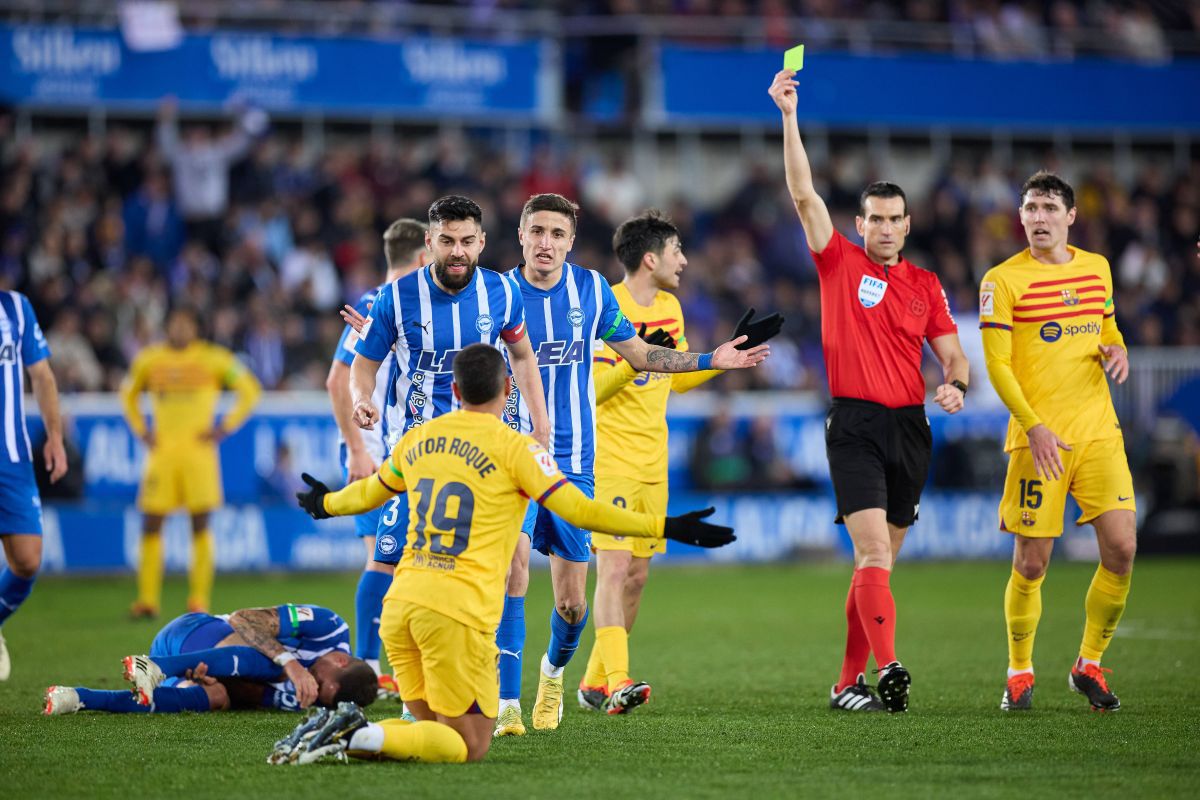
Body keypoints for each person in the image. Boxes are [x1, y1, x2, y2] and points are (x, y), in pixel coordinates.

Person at [276, 343, 734, 765]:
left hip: (400, 608)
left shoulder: (420, 438)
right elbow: (582, 510)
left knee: (427, 726)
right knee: (469, 745)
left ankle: (344, 733)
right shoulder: (518, 449)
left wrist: (324, 503)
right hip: (454, 615)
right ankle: (352, 737)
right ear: (509, 389)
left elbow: (369, 493)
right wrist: (665, 526)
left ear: (455, 391)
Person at [493, 193, 776, 736]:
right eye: (537, 232)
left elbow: (642, 355)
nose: (546, 243)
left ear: (572, 241)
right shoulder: (497, 293)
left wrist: (711, 359)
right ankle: (508, 705)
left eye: (557, 233)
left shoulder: (591, 291)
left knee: (573, 604)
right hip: (515, 458)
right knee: (513, 571)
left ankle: (554, 674)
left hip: (575, 463)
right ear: (521, 236)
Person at [769, 69, 969, 713]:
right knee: (874, 550)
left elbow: (953, 355)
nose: (884, 228)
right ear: (859, 224)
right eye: (875, 219)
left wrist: (956, 385)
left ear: (907, 225)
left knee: (875, 566)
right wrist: (789, 116)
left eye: (894, 219)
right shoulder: (838, 262)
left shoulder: (927, 285)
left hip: (911, 427)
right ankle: (889, 667)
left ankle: (845, 683)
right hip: (854, 424)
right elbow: (803, 194)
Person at [577, 209, 783, 715]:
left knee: (637, 578)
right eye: (676, 251)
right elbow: (589, 393)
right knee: (613, 569)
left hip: (654, 461)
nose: (685, 261)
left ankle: (593, 682)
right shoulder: (605, 305)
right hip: (610, 459)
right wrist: (636, 360)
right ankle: (619, 681)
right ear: (651, 259)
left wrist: (722, 357)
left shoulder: (670, 306)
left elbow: (678, 377)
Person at [342, 195, 551, 618]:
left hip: (489, 448)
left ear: (481, 242)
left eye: (467, 241)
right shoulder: (396, 298)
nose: (458, 251)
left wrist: (541, 424)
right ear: (430, 242)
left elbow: (523, 356)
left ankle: (501, 665)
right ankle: (381, 655)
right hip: (419, 451)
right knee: (391, 564)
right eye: (447, 240)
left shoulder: (503, 291)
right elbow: (362, 366)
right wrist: (361, 398)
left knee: (513, 563)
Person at [980, 172, 1135, 713]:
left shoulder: (1097, 268)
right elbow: (997, 366)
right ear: (1020, 217)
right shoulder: (1002, 281)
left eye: (1049, 207)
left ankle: (1088, 663)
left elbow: (1107, 329)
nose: (1038, 217)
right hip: (1037, 438)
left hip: (1098, 431)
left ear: (1071, 216)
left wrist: (1118, 349)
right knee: (1031, 564)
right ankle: (1019, 672)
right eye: (1030, 208)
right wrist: (1033, 424)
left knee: (1122, 548)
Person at [326, 217, 427, 685]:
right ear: (423, 256)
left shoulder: (403, 303)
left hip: (394, 450)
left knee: (395, 558)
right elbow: (337, 380)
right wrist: (355, 449)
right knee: (383, 557)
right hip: (374, 452)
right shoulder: (376, 304)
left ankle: (379, 664)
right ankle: (367, 666)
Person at [121, 305, 262, 618]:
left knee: (200, 523)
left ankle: (198, 600)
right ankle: (147, 601)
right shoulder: (149, 359)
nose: (180, 329)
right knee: (151, 523)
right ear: (167, 326)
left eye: (186, 323)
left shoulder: (214, 359)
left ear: (197, 328)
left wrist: (224, 427)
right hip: (162, 455)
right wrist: (141, 430)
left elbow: (250, 390)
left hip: (199, 455)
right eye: (175, 323)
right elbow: (127, 394)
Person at [47, 603, 376, 715]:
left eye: (320, 697)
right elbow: (242, 618)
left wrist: (221, 681)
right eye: (320, 682)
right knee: (276, 665)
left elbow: (248, 694)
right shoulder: (330, 627)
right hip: (193, 630)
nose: (313, 688)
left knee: (217, 697)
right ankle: (154, 666)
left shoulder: (307, 698)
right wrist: (291, 664)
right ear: (340, 662)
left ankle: (78, 698)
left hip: (202, 666)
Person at [0, 290, 68, 681]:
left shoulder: (15, 308)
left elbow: (41, 374)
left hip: (11, 457)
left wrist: (54, 436)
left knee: (26, 561)